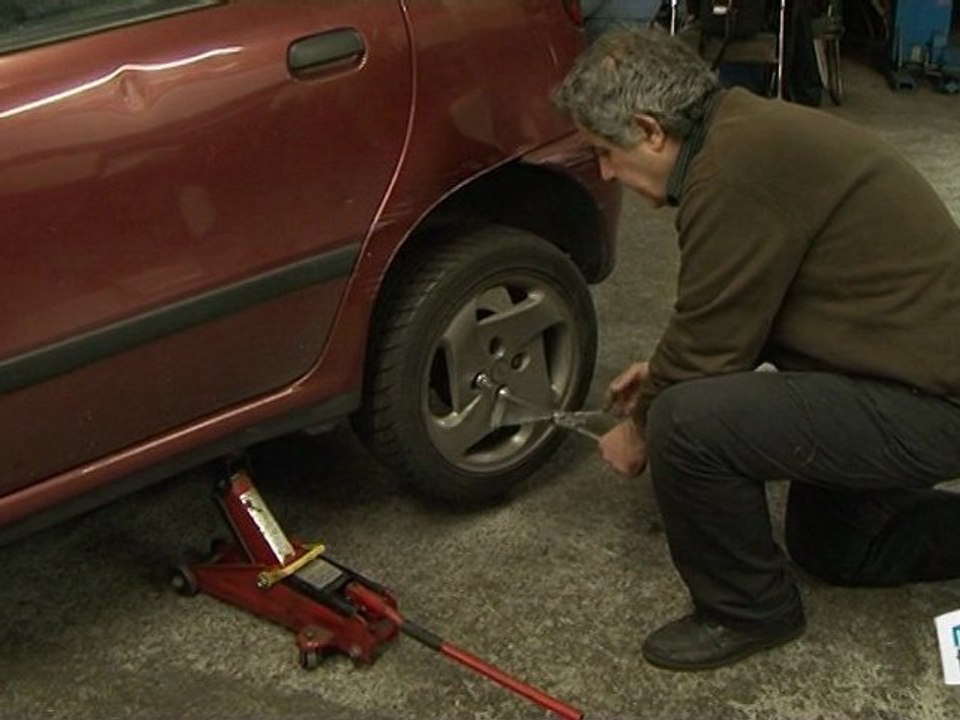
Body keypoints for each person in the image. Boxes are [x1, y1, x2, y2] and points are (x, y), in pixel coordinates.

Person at [553, 26, 960, 671]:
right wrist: (663, 369)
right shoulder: (742, 134)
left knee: (685, 424)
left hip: (932, 400)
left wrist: (640, 426)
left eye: (606, 150)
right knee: (836, 551)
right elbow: (728, 312)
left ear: (651, 129)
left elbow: (709, 349)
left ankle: (747, 610)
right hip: (904, 375)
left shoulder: (735, 173)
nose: (605, 171)